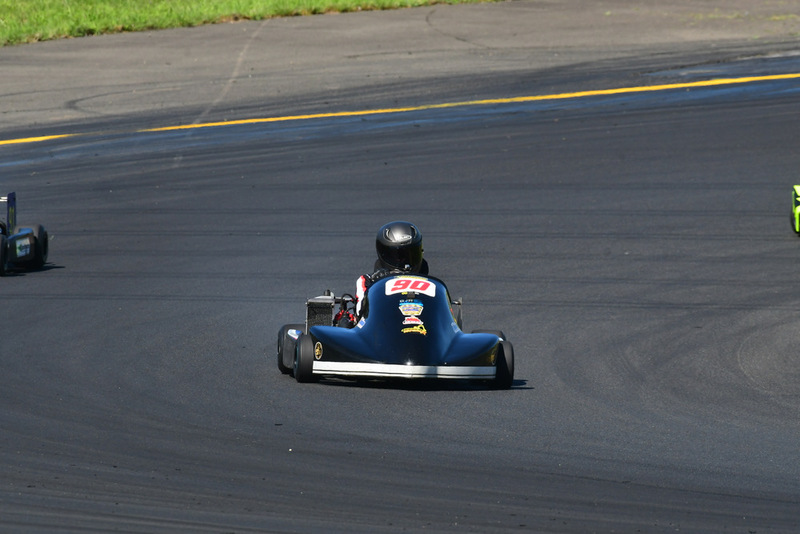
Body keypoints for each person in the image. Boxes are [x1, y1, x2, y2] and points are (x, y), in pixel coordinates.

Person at [351, 221, 429, 321]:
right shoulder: (368, 280)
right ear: (383, 255)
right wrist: (378, 283)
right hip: (382, 327)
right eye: (398, 257)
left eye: (411, 255)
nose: (405, 262)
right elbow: (361, 314)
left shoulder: (431, 284)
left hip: (423, 326)